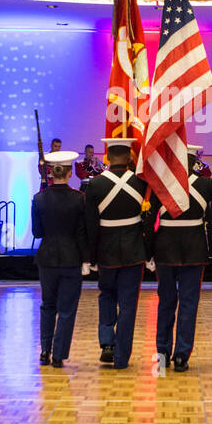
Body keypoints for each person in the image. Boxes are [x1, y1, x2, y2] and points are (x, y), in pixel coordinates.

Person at [84, 137, 151, 367]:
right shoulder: (141, 183)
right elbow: (147, 220)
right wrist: (148, 253)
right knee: (129, 304)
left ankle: (107, 343)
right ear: (130, 157)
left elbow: (91, 226)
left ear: (108, 157)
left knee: (107, 296)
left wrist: (90, 257)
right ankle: (122, 357)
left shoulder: (95, 185)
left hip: (106, 251)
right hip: (133, 251)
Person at [154, 144, 212, 371]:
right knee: (188, 304)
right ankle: (182, 356)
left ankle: (162, 354)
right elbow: (211, 220)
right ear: (194, 162)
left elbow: (147, 220)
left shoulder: (161, 183)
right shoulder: (205, 184)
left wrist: (149, 251)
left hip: (164, 249)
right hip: (194, 250)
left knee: (166, 303)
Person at [32, 150, 88, 367]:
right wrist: (86, 259)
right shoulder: (78, 199)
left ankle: (45, 350)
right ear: (70, 171)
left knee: (48, 305)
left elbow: (37, 232)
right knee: (66, 309)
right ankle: (58, 355)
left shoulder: (39, 199)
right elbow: (82, 233)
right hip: (71, 258)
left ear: (51, 172)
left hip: (46, 258)